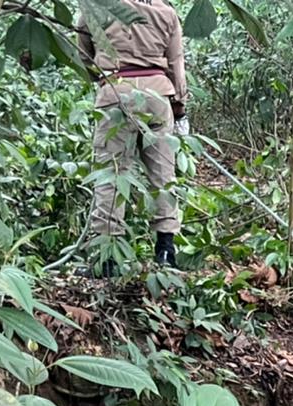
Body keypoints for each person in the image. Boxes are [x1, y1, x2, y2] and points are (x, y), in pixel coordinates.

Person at [77, 0, 188, 275]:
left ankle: (107, 259)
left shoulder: (94, 8)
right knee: (163, 174)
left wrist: (104, 77)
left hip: (115, 91)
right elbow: (176, 63)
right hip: (157, 95)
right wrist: (180, 106)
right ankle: (165, 251)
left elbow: (84, 56)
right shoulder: (167, 12)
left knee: (111, 173)